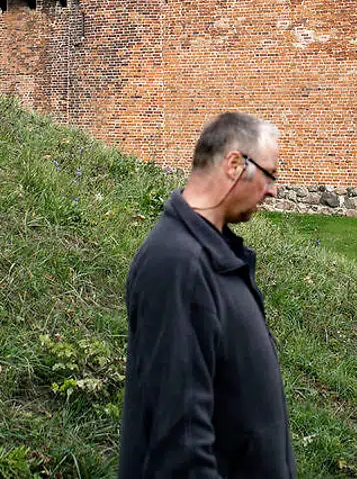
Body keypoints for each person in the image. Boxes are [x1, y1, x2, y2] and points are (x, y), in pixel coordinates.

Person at [118, 111, 296, 479]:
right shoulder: (177, 265)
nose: (273, 189)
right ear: (234, 164)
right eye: (269, 175)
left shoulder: (214, 255)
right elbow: (181, 439)